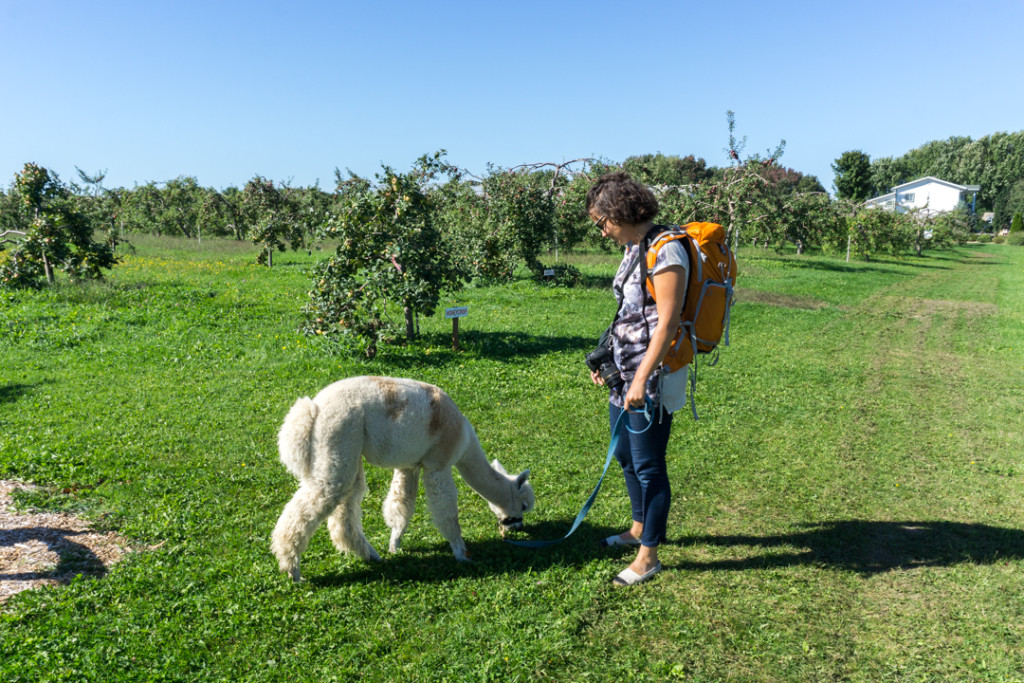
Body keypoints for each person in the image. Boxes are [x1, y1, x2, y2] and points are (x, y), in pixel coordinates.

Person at [585, 172, 689, 587]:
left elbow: (667, 322)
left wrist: (640, 379)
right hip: (624, 373)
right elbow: (630, 314)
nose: (601, 230)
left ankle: (649, 557)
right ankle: (637, 526)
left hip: (651, 377)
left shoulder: (667, 251)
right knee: (626, 456)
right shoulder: (634, 247)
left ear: (618, 211)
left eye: (601, 222)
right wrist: (607, 360)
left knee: (648, 466)